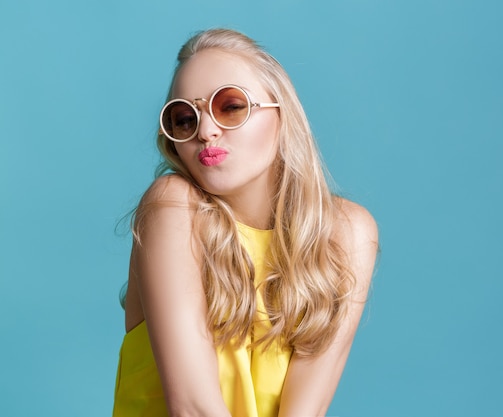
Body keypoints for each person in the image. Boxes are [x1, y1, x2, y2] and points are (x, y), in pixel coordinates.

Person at [112, 28, 378, 417]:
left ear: (281, 114)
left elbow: (303, 412)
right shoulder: (173, 205)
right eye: (184, 119)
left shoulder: (348, 232)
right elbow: (193, 408)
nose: (205, 132)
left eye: (230, 107)